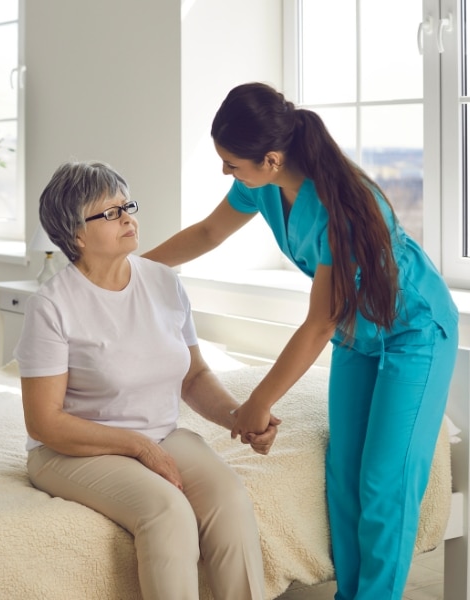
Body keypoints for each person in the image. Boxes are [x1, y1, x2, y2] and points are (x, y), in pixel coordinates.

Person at [143, 82, 459, 600]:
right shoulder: (262, 185)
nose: (227, 172)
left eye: (232, 164)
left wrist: (258, 403)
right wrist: (133, 270)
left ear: (270, 158)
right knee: (343, 478)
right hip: (359, 336)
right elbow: (206, 234)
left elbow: (318, 323)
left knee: (384, 484)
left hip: (414, 333)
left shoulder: (348, 205)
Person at [14, 160, 277, 600]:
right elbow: (44, 423)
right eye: (110, 212)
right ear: (75, 234)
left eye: (127, 205)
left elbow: (193, 377)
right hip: (72, 451)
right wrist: (137, 446)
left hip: (161, 435)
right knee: (168, 511)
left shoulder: (163, 282)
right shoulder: (52, 306)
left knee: (229, 497)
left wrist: (239, 416)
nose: (128, 217)